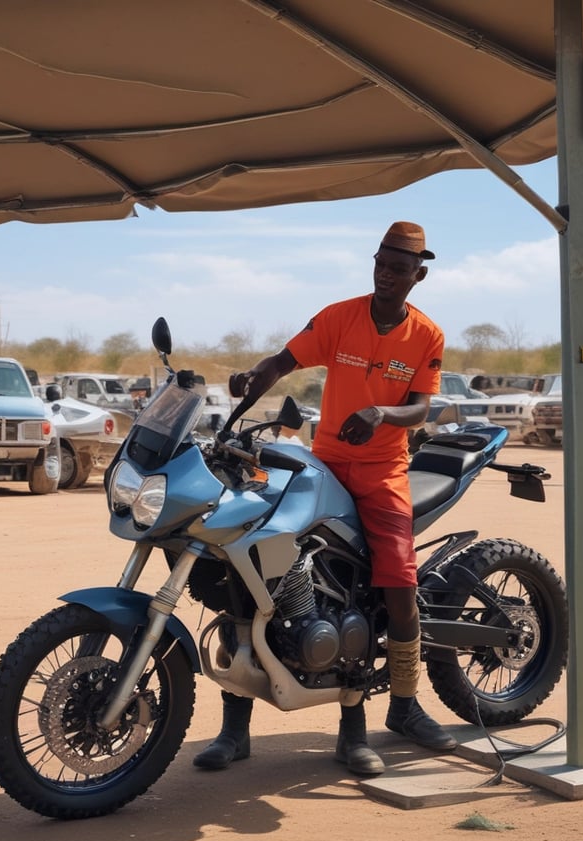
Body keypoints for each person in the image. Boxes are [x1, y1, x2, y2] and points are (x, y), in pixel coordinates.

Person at [193, 221, 457, 776]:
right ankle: (234, 730)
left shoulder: (426, 335)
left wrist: (384, 413)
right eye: (381, 263)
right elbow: (282, 362)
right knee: (253, 566)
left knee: (395, 579)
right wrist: (251, 380)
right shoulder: (340, 316)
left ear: (419, 275)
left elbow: (421, 409)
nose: (387, 274)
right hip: (325, 461)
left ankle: (402, 709)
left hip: (384, 468)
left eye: (399, 268)